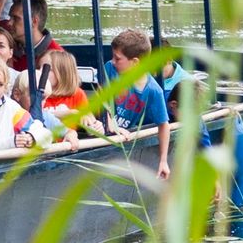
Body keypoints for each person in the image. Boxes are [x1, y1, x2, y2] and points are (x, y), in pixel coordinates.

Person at [108, 29, 172, 180]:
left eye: (118, 59)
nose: (113, 61)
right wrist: (110, 123)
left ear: (135, 62)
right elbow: (100, 97)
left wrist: (163, 161)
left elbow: (164, 125)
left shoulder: (153, 90)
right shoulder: (110, 69)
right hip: (102, 131)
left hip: (123, 140)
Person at [40, 51, 104, 142]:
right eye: (40, 67)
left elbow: (90, 124)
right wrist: (69, 113)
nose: (40, 72)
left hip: (68, 145)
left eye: (47, 69)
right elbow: (36, 116)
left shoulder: (77, 94)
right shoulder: (38, 93)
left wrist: (96, 127)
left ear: (62, 73)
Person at [6, 0, 63, 76]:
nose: (9, 23)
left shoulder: (57, 57)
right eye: (10, 17)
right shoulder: (6, 49)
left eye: (16, 18)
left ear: (34, 21)